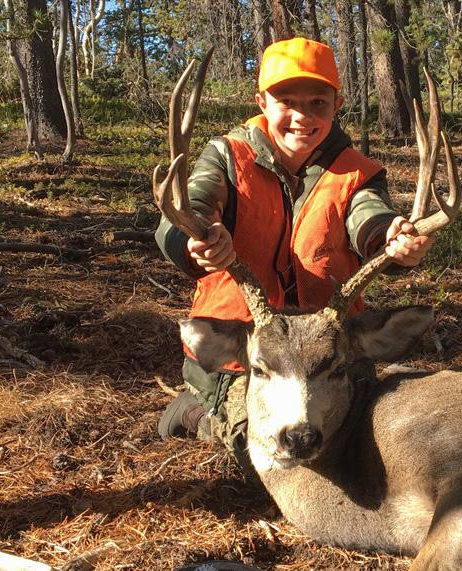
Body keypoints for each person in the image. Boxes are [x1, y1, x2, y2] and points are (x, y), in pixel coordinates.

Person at [155, 37, 434, 464]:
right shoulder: (227, 157)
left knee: (365, 447)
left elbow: (368, 216)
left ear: (336, 103)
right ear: (261, 101)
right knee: (266, 458)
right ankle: (197, 412)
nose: (302, 116)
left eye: (317, 102)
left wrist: (389, 236)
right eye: (286, 101)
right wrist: (198, 239)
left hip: (328, 353)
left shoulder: (356, 171)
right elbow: (188, 210)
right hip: (243, 350)